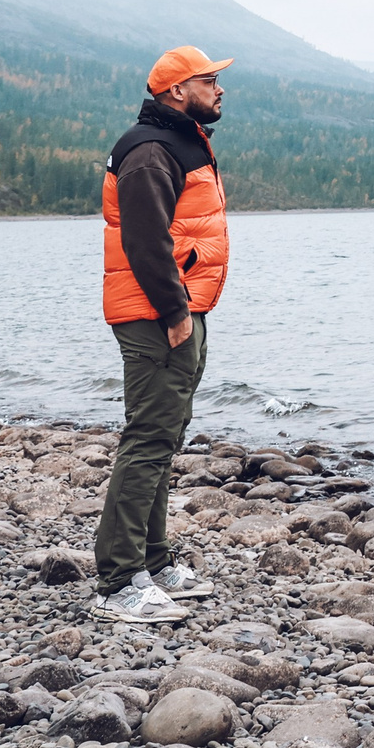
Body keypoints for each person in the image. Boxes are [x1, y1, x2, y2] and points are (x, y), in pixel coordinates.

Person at [89, 44, 235, 623]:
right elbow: (145, 243)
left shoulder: (180, 141)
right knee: (149, 437)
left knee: (165, 434)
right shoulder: (151, 151)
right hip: (157, 313)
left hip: (179, 307)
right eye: (209, 81)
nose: (219, 89)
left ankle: (153, 559)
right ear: (178, 91)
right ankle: (119, 582)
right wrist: (176, 313)